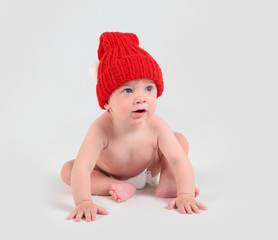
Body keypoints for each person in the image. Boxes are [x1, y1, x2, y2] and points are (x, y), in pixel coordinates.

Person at [60, 32, 207, 222]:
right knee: (68, 170)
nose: (141, 98)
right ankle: (111, 186)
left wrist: (186, 194)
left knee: (179, 140)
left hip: (146, 171)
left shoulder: (156, 125)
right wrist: (83, 202)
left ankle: (169, 181)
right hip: (106, 173)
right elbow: (84, 166)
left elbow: (179, 160)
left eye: (148, 88)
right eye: (128, 90)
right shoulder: (100, 128)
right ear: (107, 102)